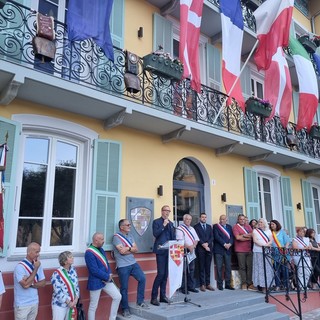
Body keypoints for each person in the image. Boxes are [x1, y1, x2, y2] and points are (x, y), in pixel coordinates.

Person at [113, 219, 149, 318]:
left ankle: (140, 301)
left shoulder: (130, 236)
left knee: (142, 278)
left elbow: (136, 249)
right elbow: (121, 252)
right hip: (122, 265)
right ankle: (125, 309)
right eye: (128, 225)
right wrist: (130, 249)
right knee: (124, 288)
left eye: (129, 224)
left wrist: (128, 248)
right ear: (122, 227)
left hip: (133, 263)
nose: (130, 226)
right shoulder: (116, 237)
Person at [85, 232, 121, 320]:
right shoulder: (89, 252)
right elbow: (94, 270)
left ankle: (112, 318)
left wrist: (109, 273)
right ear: (96, 240)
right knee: (93, 305)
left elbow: (106, 264)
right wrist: (106, 276)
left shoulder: (101, 249)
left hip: (106, 280)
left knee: (118, 296)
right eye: (101, 239)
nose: (103, 241)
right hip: (96, 281)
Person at [150, 205, 176, 306]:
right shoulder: (156, 222)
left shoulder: (171, 223)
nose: (167, 213)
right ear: (162, 211)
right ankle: (153, 297)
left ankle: (163, 296)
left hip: (168, 251)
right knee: (160, 274)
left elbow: (172, 237)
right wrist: (163, 225)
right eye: (165, 211)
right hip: (160, 251)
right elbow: (156, 234)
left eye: (169, 211)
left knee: (165, 275)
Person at [13, 242, 46, 320]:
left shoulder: (38, 264)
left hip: (34, 302)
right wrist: (35, 269)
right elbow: (24, 285)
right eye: (36, 252)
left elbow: (43, 283)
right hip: (22, 304)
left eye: (39, 252)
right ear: (29, 252)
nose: (38, 254)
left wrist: (30, 284)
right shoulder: (20, 267)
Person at [51, 251, 80, 320]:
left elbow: (76, 286)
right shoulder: (56, 274)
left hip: (73, 302)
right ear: (65, 261)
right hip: (60, 304)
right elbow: (58, 291)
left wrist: (76, 299)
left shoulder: (73, 270)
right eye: (70, 257)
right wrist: (68, 302)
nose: (73, 258)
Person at [176, 214, 199, 294]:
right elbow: (180, 240)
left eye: (190, 219)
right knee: (184, 270)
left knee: (192, 269)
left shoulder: (192, 228)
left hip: (192, 251)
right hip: (184, 251)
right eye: (187, 219)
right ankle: (183, 288)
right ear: (184, 219)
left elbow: (196, 239)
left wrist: (193, 246)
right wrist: (189, 247)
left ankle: (191, 286)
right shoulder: (180, 229)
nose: (188, 221)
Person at [232, 214, 255, 290]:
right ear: (238, 220)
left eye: (243, 219)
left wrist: (243, 235)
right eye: (241, 219)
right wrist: (247, 237)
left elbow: (252, 235)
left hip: (249, 250)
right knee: (242, 267)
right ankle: (244, 283)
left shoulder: (248, 226)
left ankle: (250, 283)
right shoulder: (235, 227)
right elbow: (238, 237)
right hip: (240, 250)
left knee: (250, 267)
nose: (242, 220)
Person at [194, 212, 215, 292]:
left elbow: (211, 237)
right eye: (202, 217)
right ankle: (202, 284)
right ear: (200, 218)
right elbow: (197, 237)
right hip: (201, 249)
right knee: (201, 267)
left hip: (209, 249)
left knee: (208, 267)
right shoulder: (196, 227)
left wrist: (207, 244)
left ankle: (208, 284)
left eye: (205, 217)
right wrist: (203, 245)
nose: (204, 218)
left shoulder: (209, 227)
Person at [213, 214, 234, 290]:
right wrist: (224, 244)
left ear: (226, 220)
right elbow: (216, 237)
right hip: (219, 250)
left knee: (228, 267)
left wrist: (230, 244)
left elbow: (232, 237)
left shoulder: (229, 227)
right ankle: (220, 284)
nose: (221, 220)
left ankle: (228, 284)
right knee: (219, 268)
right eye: (220, 219)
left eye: (223, 219)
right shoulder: (216, 226)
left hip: (228, 249)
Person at [252, 218, 274, 293]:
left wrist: (266, 245)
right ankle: (262, 286)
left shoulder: (269, 231)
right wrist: (263, 245)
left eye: (261, 222)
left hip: (267, 251)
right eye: (259, 222)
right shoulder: (255, 231)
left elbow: (271, 240)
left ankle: (268, 286)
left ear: (264, 223)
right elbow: (255, 240)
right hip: (258, 251)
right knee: (260, 268)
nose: (259, 223)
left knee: (267, 269)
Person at [270, 220, 290, 291]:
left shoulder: (282, 232)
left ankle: (286, 285)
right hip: (274, 254)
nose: (272, 225)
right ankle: (277, 285)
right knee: (276, 270)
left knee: (284, 270)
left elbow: (287, 241)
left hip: (283, 253)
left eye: (273, 224)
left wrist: (285, 248)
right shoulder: (270, 233)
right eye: (271, 224)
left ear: (277, 224)